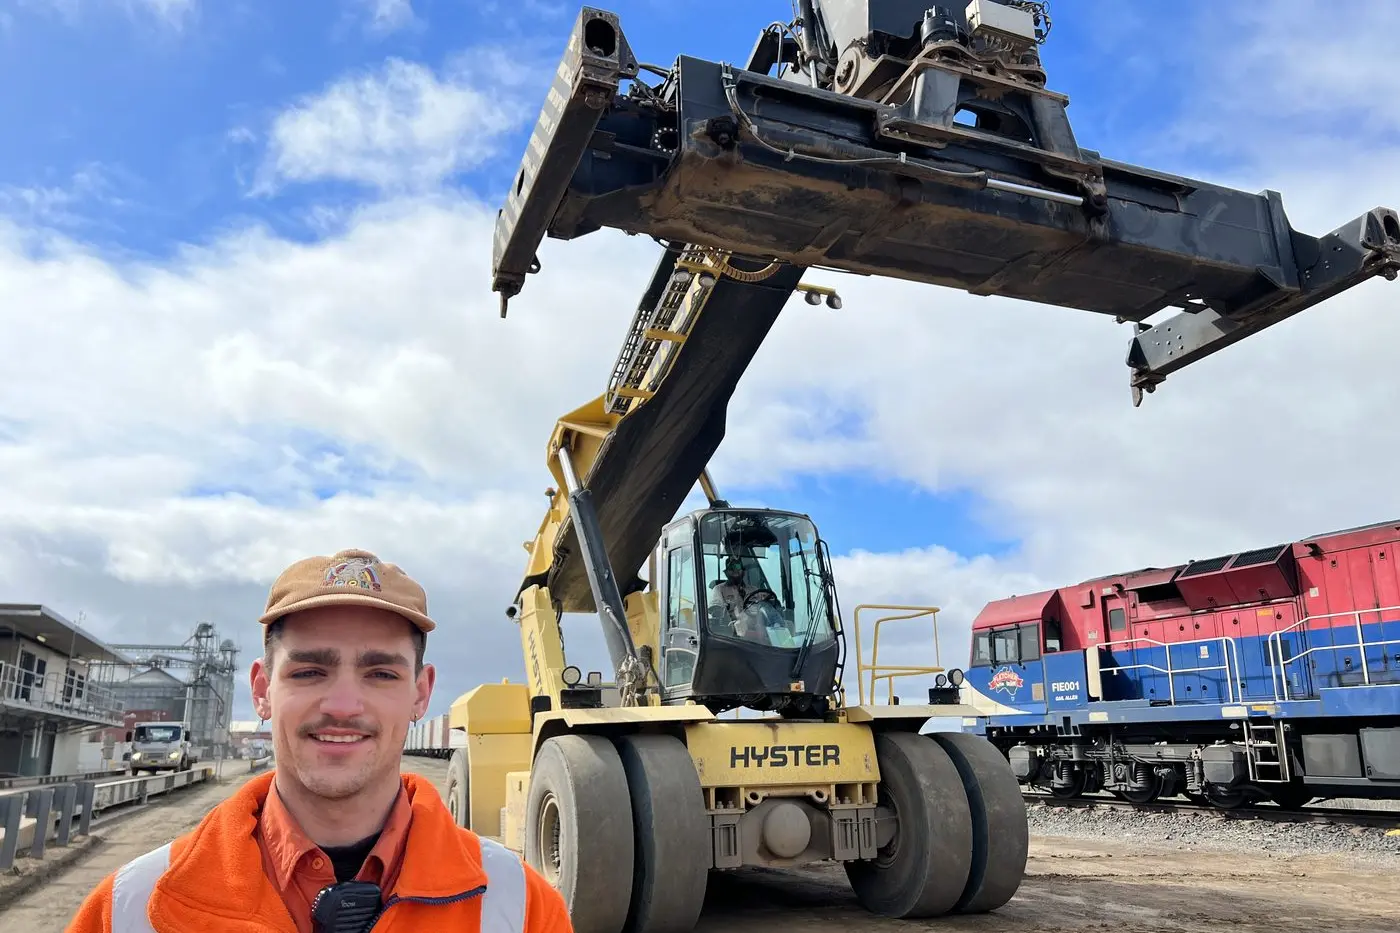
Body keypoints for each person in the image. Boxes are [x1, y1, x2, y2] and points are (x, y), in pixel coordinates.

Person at [65, 548, 573, 933]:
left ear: (421, 694)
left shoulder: (521, 909)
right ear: (262, 690)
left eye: (381, 674)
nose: (344, 705)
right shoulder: (130, 909)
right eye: (309, 671)